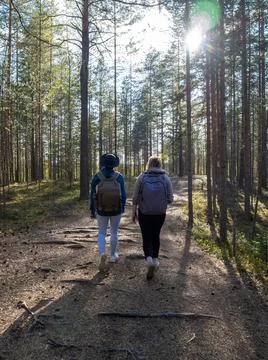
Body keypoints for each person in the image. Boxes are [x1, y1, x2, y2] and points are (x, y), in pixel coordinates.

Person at [132, 156, 173, 280]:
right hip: (160, 213)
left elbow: (135, 197)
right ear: (160, 164)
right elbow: (170, 198)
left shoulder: (142, 177)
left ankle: (149, 259)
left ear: (148, 164)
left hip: (144, 212)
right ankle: (155, 260)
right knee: (156, 235)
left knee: (146, 236)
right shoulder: (165, 177)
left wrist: (133, 212)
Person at [90, 154, 126, 272]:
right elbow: (124, 194)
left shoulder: (97, 176)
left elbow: (92, 195)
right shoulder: (119, 177)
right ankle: (112, 256)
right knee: (114, 231)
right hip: (116, 209)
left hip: (101, 209)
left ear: (103, 163)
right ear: (115, 163)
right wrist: (122, 207)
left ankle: (101, 254)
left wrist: (92, 209)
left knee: (101, 232)